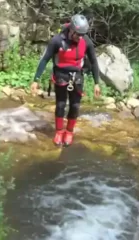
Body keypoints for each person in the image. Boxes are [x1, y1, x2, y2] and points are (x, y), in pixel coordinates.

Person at [30, 14, 103, 146]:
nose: (79, 37)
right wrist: (36, 79)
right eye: (77, 34)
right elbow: (45, 59)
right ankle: (59, 132)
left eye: (82, 34)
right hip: (61, 75)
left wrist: (97, 83)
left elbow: (93, 62)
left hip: (77, 76)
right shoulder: (57, 40)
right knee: (61, 104)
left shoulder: (86, 41)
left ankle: (69, 132)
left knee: (75, 106)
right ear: (71, 29)